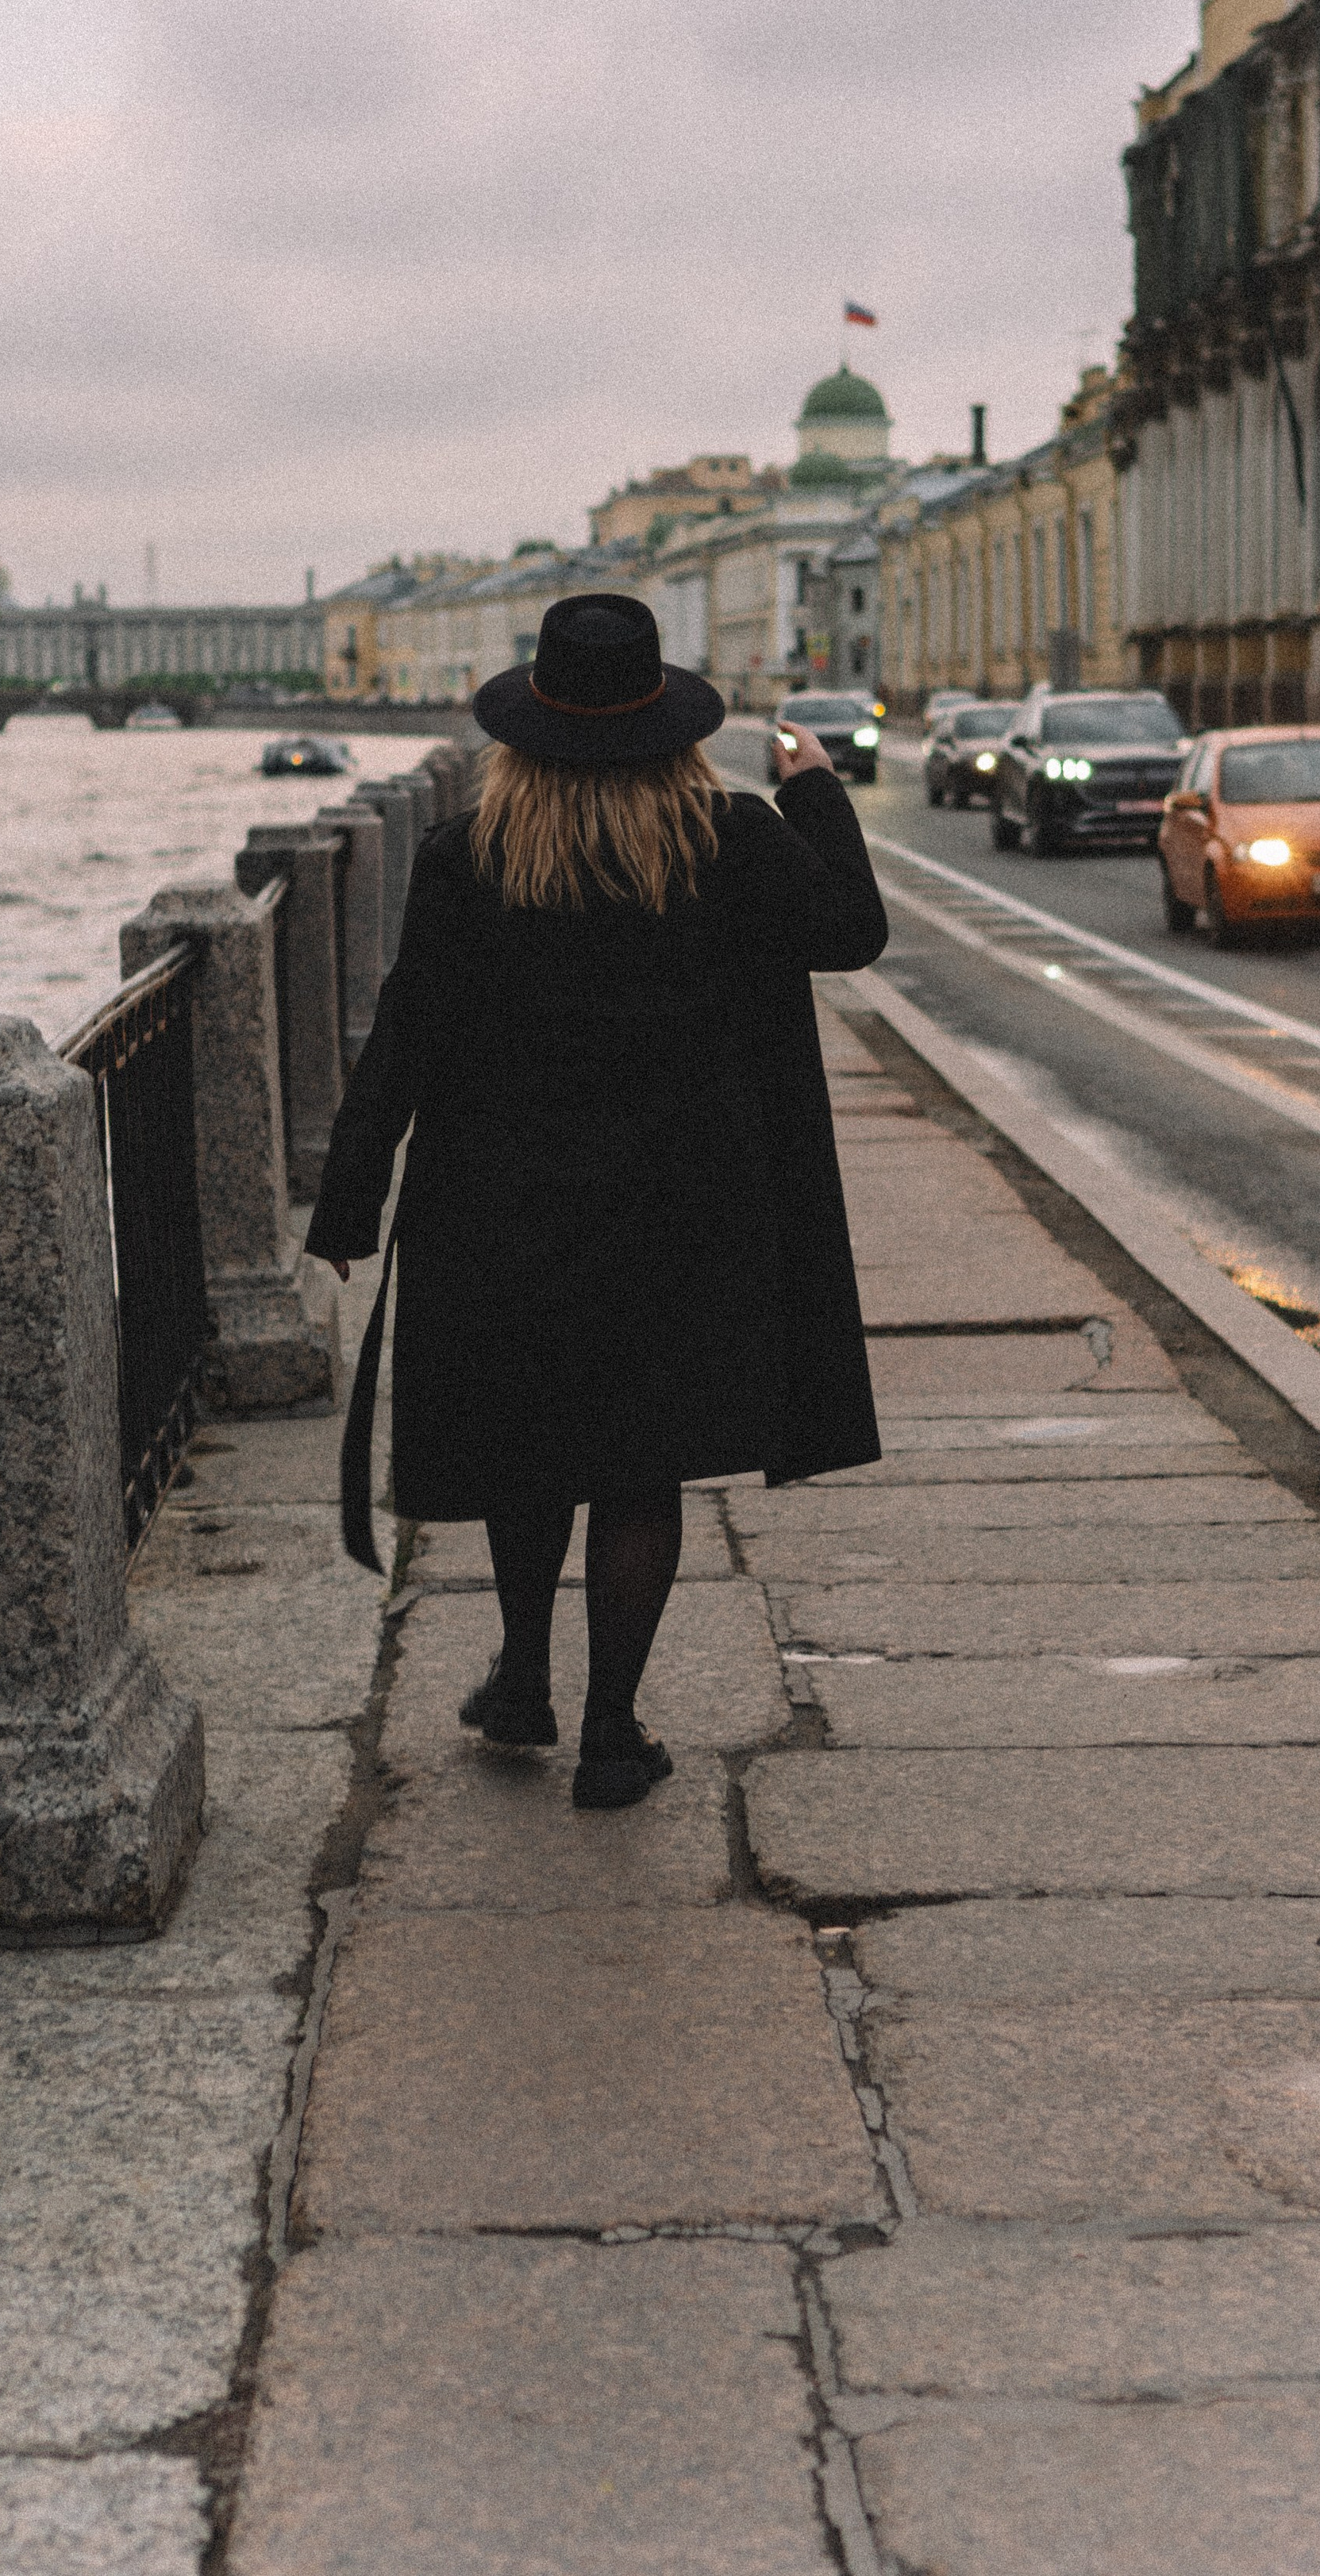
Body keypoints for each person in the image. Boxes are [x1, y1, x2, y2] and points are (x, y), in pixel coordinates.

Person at [304, 591, 888, 1809]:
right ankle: (614, 1732)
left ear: (526, 735)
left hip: (507, 1211)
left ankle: (524, 1679)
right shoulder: (728, 840)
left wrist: (349, 1202)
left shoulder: (471, 855)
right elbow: (852, 929)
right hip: (687, 1215)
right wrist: (817, 786)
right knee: (640, 1469)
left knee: (534, 1451)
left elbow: (407, 1031)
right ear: (670, 727)